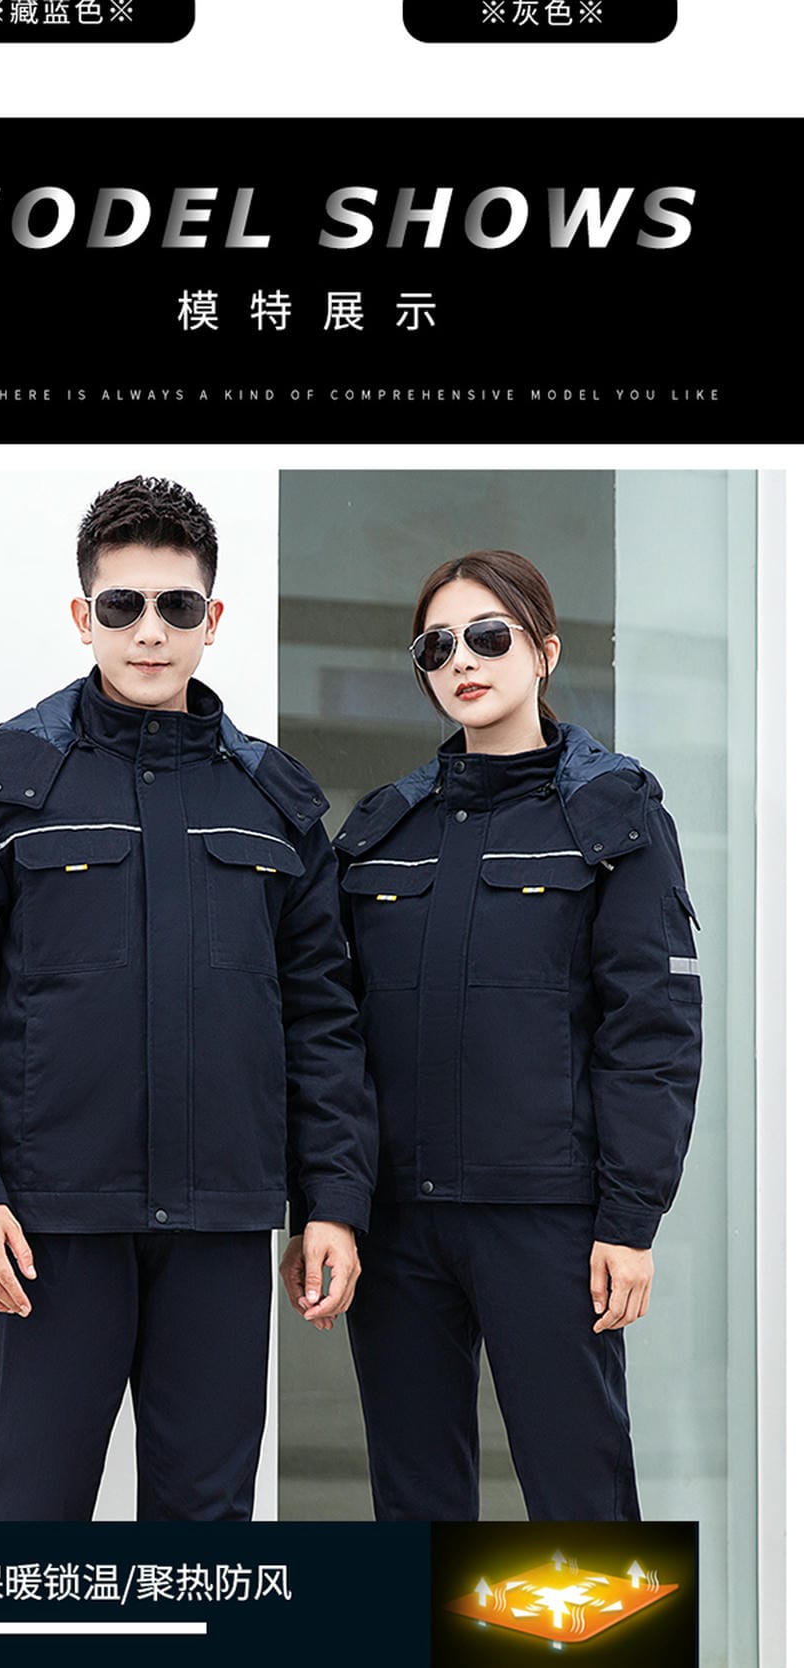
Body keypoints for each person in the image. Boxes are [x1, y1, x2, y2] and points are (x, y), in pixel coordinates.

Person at [0, 473, 377, 1522]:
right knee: (32, 1522)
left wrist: (331, 1199)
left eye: (177, 606)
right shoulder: (8, 784)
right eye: (124, 604)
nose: (151, 631)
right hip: (50, 1228)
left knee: (207, 1535)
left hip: (220, 1226)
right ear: (83, 615)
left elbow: (322, 1019)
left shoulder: (273, 803)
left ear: (212, 620)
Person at [280, 549, 701, 1522]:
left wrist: (628, 1221)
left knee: (580, 1497)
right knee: (413, 1504)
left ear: (544, 650)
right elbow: (330, 1033)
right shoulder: (381, 830)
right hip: (399, 1225)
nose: (461, 660)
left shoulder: (614, 817)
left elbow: (653, 1032)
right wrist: (329, 1204)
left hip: (547, 1223)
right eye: (436, 646)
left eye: (486, 636)